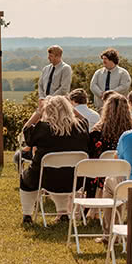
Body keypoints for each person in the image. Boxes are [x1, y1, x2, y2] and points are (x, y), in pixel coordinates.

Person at [18, 96, 90, 224]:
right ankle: (63, 213)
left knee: (25, 178)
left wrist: (38, 113)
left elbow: (26, 132)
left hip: (44, 178)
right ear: (70, 109)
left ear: (48, 110)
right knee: (62, 172)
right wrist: (71, 109)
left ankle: (27, 214)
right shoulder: (81, 127)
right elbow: (84, 119)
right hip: (74, 180)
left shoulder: (43, 128)